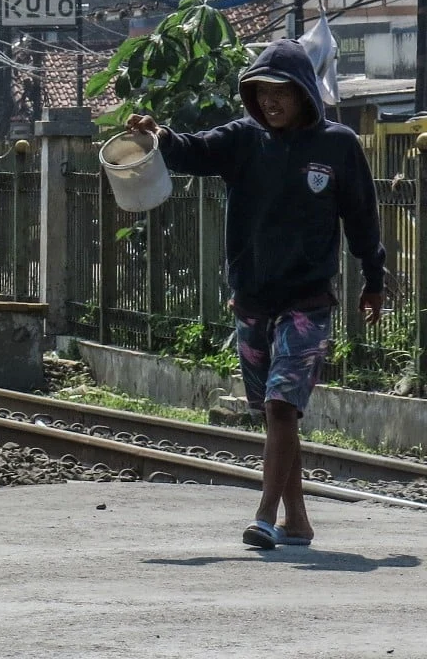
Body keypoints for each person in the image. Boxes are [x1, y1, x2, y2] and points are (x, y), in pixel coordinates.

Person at [126, 37, 384, 551]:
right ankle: (299, 522)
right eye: (261, 92)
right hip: (251, 300)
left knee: (283, 406)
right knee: (272, 413)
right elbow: (192, 151)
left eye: (281, 92)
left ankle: (264, 516)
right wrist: (158, 136)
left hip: (308, 301)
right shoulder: (243, 139)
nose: (270, 101)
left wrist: (373, 280)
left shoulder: (338, 146)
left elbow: (362, 219)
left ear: (304, 93)